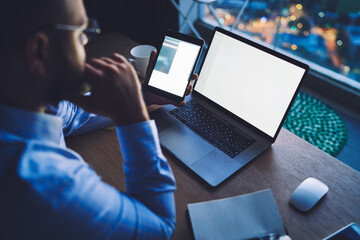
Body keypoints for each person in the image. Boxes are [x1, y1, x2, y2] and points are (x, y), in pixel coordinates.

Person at [0, 0, 195, 239]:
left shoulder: (20, 99)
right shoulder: (44, 183)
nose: (87, 42)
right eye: (80, 33)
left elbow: (66, 115)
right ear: (40, 50)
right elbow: (159, 226)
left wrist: (142, 96)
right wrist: (133, 119)